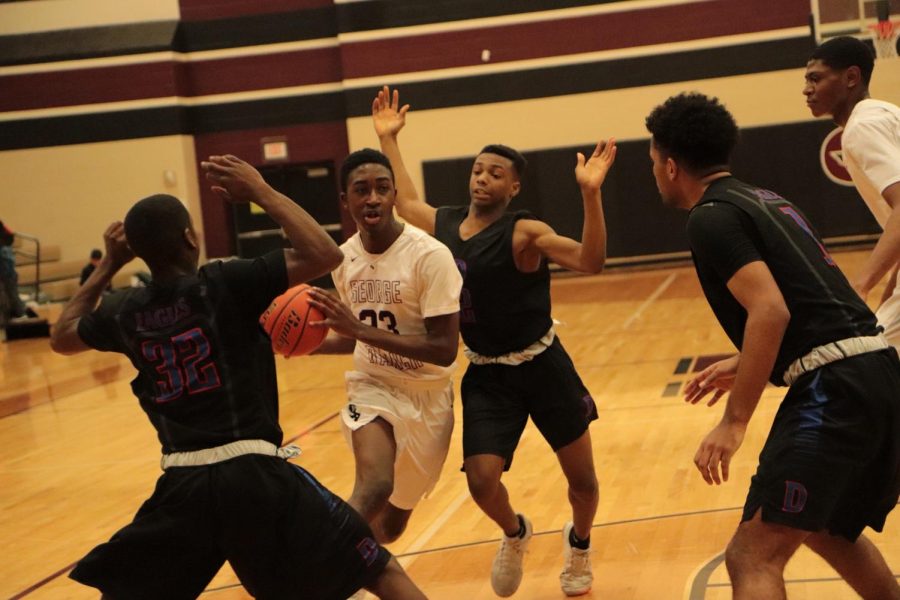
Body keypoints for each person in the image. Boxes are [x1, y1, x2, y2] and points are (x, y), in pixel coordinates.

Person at [49, 155, 426, 600]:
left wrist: (108, 265)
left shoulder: (124, 310)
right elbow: (324, 253)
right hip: (253, 473)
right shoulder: (225, 282)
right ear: (191, 238)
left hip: (183, 483)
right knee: (378, 568)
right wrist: (261, 191)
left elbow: (63, 336)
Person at [645, 92, 900, 599]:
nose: (655, 173)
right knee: (829, 529)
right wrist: (746, 364)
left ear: (671, 167)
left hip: (837, 389)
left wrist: (735, 419)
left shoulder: (709, 216)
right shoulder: (768, 200)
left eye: (653, 163)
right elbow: (820, 307)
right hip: (878, 371)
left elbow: (771, 310)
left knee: (752, 554)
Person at [373, 86, 615, 597]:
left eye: (495, 173)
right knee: (481, 481)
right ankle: (515, 531)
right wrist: (389, 140)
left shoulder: (525, 232)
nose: (483, 178)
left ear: (514, 188)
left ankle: (580, 543)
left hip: (544, 366)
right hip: (486, 372)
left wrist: (590, 195)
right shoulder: (444, 226)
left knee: (584, 483)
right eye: (478, 169)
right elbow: (407, 200)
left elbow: (590, 261)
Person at [307, 148, 462, 549]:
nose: (372, 198)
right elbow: (354, 335)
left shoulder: (430, 256)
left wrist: (358, 330)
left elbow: (444, 349)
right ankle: (321, 569)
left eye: (381, 188)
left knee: (391, 527)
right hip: (372, 385)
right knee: (374, 485)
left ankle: (354, 568)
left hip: (428, 395)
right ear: (346, 200)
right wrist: (304, 347)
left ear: (394, 195)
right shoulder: (343, 259)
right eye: (361, 190)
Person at [804, 36, 900, 348]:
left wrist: (861, 284)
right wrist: (889, 291)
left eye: (816, 78)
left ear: (851, 78)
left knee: (865, 363)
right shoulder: (886, 113)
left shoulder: (861, 127)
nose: (806, 89)